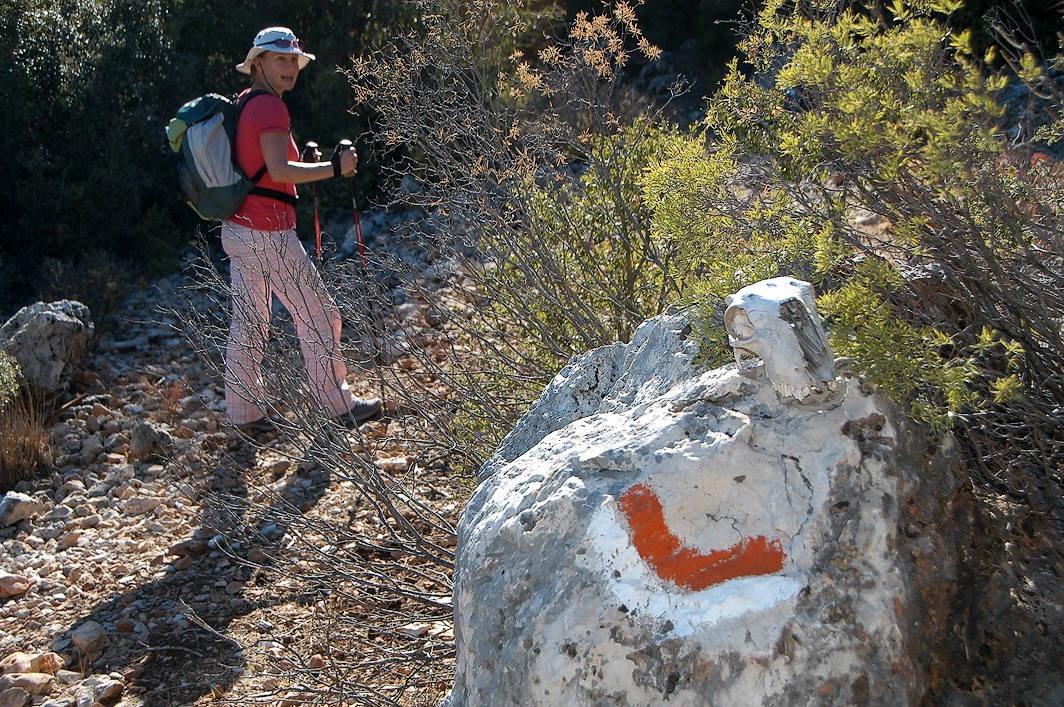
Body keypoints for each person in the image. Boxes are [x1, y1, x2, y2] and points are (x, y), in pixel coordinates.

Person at [223, 26, 381, 433]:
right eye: (280, 58)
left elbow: (264, 166)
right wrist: (334, 168)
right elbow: (278, 170)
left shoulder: (246, 102)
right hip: (268, 233)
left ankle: (243, 414)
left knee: (250, 323)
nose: (290, 66)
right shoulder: (271, 107)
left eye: (293, 59)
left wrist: (306, 162)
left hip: (238, 228)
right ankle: (338, 406)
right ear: (258, 63)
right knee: (320, 315)